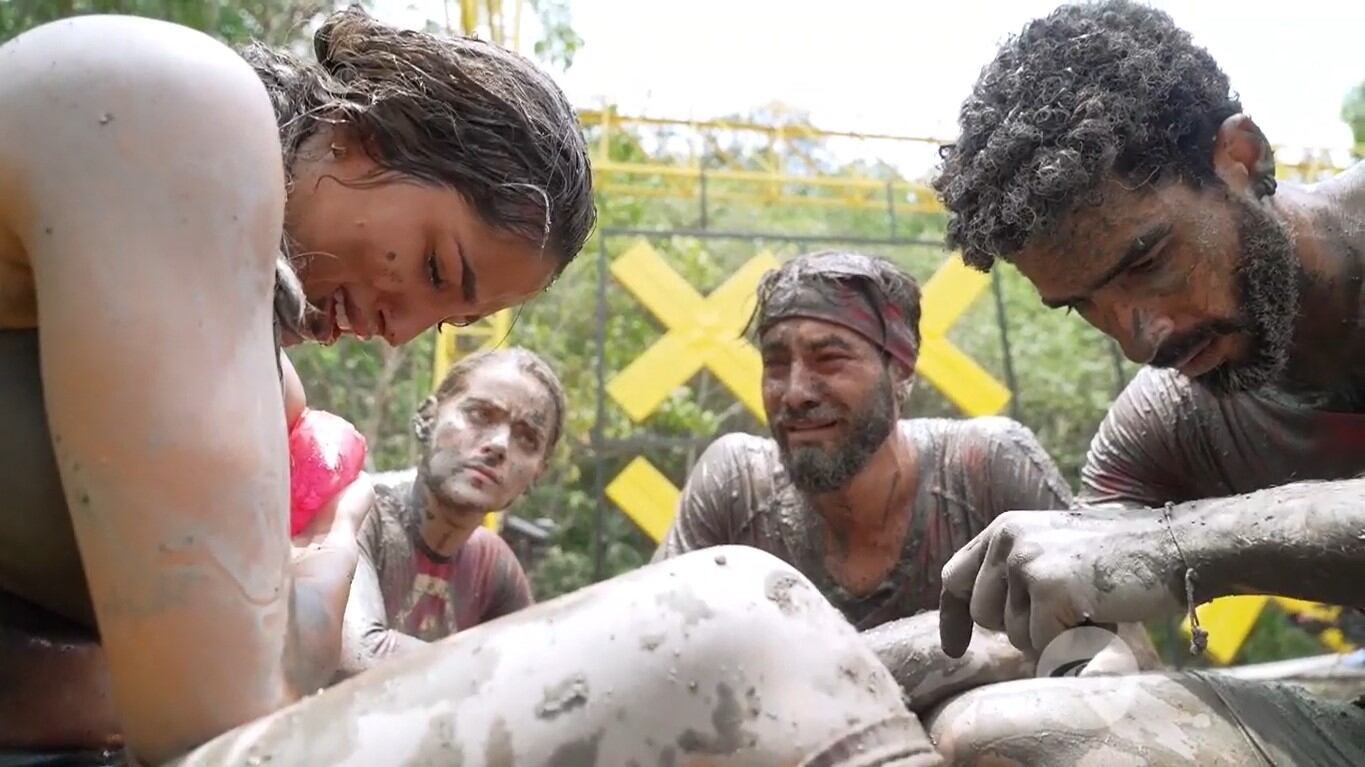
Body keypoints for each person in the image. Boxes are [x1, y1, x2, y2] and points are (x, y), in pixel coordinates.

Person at [0, 9, 943, 766]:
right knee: (743, 619)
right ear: (367, 134)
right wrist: (329, 553)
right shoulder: (165, 98)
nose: (399, 329)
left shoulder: (264, 381)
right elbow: (215, 724)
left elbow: (102, 686)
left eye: (445, 319)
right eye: (440, 268)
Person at [929, 1, 1365, 763]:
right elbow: (1090, 615)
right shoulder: (1166, 419)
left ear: (1239, 154)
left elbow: (1137, 547)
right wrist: (1077, 653)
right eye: (1082, 306)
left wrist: (1165, 545)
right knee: (1000, 734)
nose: (1138, 338)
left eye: (1145, 261)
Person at [655, 252, 1158, 710]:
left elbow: (1121, 650)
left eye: (830, 359)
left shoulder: (984, 467)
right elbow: (650, 650)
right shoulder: (735, 484)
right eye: (775, 364)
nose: (795, 392)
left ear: (900, 368)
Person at [338, 348, 559, 678]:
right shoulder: (358, 510)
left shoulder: (492, 564)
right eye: (480, 415)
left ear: (537, 473)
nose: (499, 445)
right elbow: (360, 655)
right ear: (429, 417)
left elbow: (539, 677)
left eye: (526, 438)